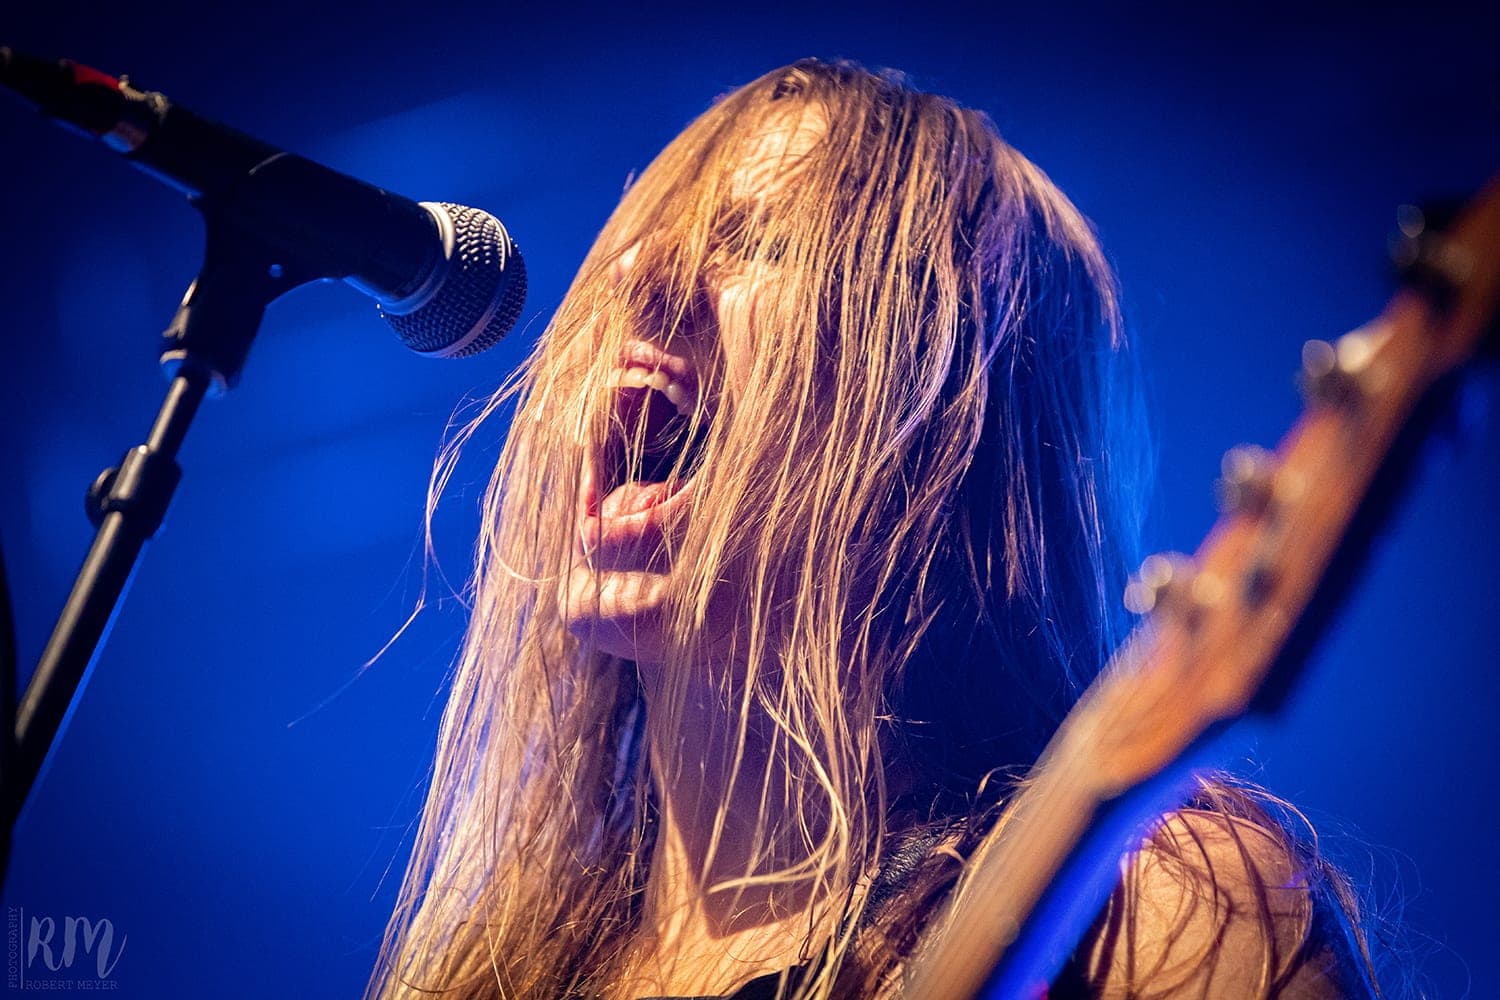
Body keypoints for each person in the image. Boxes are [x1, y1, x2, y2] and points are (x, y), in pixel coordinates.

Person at [367, 59, 1383, 999]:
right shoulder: (497, 973)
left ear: (945, 426)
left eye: (761, 241)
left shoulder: (1152, 916)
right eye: (634, 245)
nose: (639, 279)